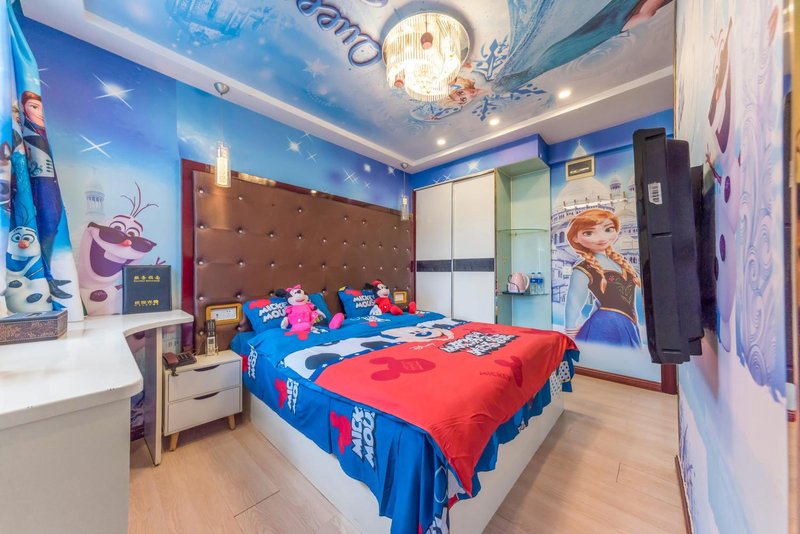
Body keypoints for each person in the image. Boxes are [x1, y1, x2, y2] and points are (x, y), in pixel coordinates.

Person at [564, 208, 641, 347]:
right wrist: (570, 329)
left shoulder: (619, 261)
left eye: (608, 229)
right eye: (589, 233)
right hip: (604, 327)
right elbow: (573, 301)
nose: (601, 238)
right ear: (575, 238)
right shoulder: (583, 268)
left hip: (628, 323)